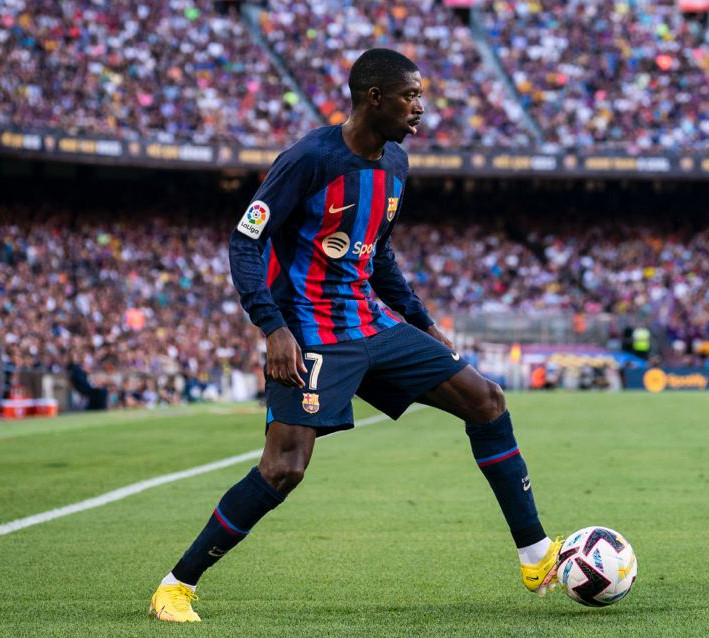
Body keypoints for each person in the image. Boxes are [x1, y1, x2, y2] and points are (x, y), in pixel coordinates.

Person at [149, 48, 560, 623]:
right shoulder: (310, 159)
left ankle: (536, 555)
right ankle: (176, 585)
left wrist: (422, 322)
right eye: (410, 96)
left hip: (374, 323)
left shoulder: (396, 163)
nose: (420, 109)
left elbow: (378, 252)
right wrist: (272, 327)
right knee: (284, 468)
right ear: (374, 98)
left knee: (486, 400)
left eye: (420, 96)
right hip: (311, 333)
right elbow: (246, 240)